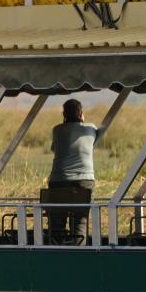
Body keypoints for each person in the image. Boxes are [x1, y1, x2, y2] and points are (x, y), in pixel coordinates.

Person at [48, 98, 103, 244]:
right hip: (84, 181)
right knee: (80, 221)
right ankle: (78, 252)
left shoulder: (57, 130)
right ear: (81, 114)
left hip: (58, 180)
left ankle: (55, 252)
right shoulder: (90, 128)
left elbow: (54, 149)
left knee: (57, 224)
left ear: (64, 114)